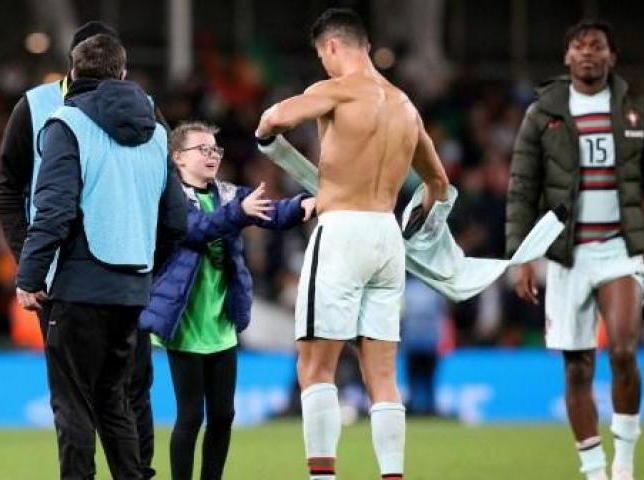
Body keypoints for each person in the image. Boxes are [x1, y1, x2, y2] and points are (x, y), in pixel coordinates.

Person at [255, 8, 449, 480]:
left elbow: (274, 118)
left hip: (341, 228)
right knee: (382, 375)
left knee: (315, 367)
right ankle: (393, 475)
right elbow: (438, 184)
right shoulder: (405, 105)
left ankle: (323, 478)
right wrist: (413, 223)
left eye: (323, 55)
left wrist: (267, 140)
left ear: (332, 47)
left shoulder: (336, 90)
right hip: (387, 236)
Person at [506, 20, 644, 480]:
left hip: (620, 249)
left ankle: (626, 464)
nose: (588, 53)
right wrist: (520, 258)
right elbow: (521, 189)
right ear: (567, 58)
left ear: (612, 57)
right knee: (577, 366)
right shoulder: (543, 114)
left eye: (598, 47)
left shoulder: (639, 112)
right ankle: (594, 471)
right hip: (565, 255)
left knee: (622, 351)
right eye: (580, 46)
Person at [0, 21, 165, 479]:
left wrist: (31, 273)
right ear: (123, 71)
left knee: (78, 401)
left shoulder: (63, 119)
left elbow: (51, 207)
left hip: (73, 280)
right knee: (116, 397)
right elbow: (174, 214)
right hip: (128, 281)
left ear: (73, 68)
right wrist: (150, 267)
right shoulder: (151, 120)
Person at [139, 121, 315, 480]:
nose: (211, 155)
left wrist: (304, 205)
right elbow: (197, 229)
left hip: (221, 322)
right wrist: (239, 211)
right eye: (202, 149)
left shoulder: (228, 193)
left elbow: (271, 212)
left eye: (214, 149)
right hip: (185, 322)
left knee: (223, 416)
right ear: (178, 158)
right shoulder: (168, 199)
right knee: (190, 416)